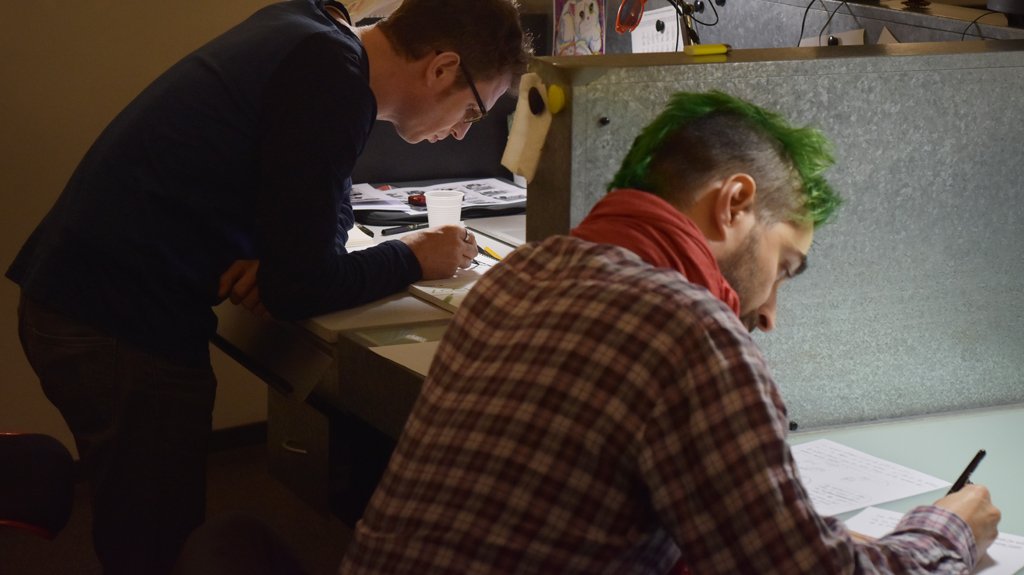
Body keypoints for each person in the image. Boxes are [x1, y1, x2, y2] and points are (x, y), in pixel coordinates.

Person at [338, 91, 1001, 574]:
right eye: (784, 267)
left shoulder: (517, 278)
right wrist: (945, 532)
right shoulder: (688, 331)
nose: (770, 312)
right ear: (735, 204)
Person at [6, 1, 530, 573]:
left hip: (84, 297)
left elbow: (314, 217)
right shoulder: (332, 81)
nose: (462, 131)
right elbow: (300, 289)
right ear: (441, 67)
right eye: (473, 111)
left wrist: (287, 262)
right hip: (113, 322)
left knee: (145, 520)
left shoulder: (313, 30)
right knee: (154, 544)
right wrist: (413, 257)